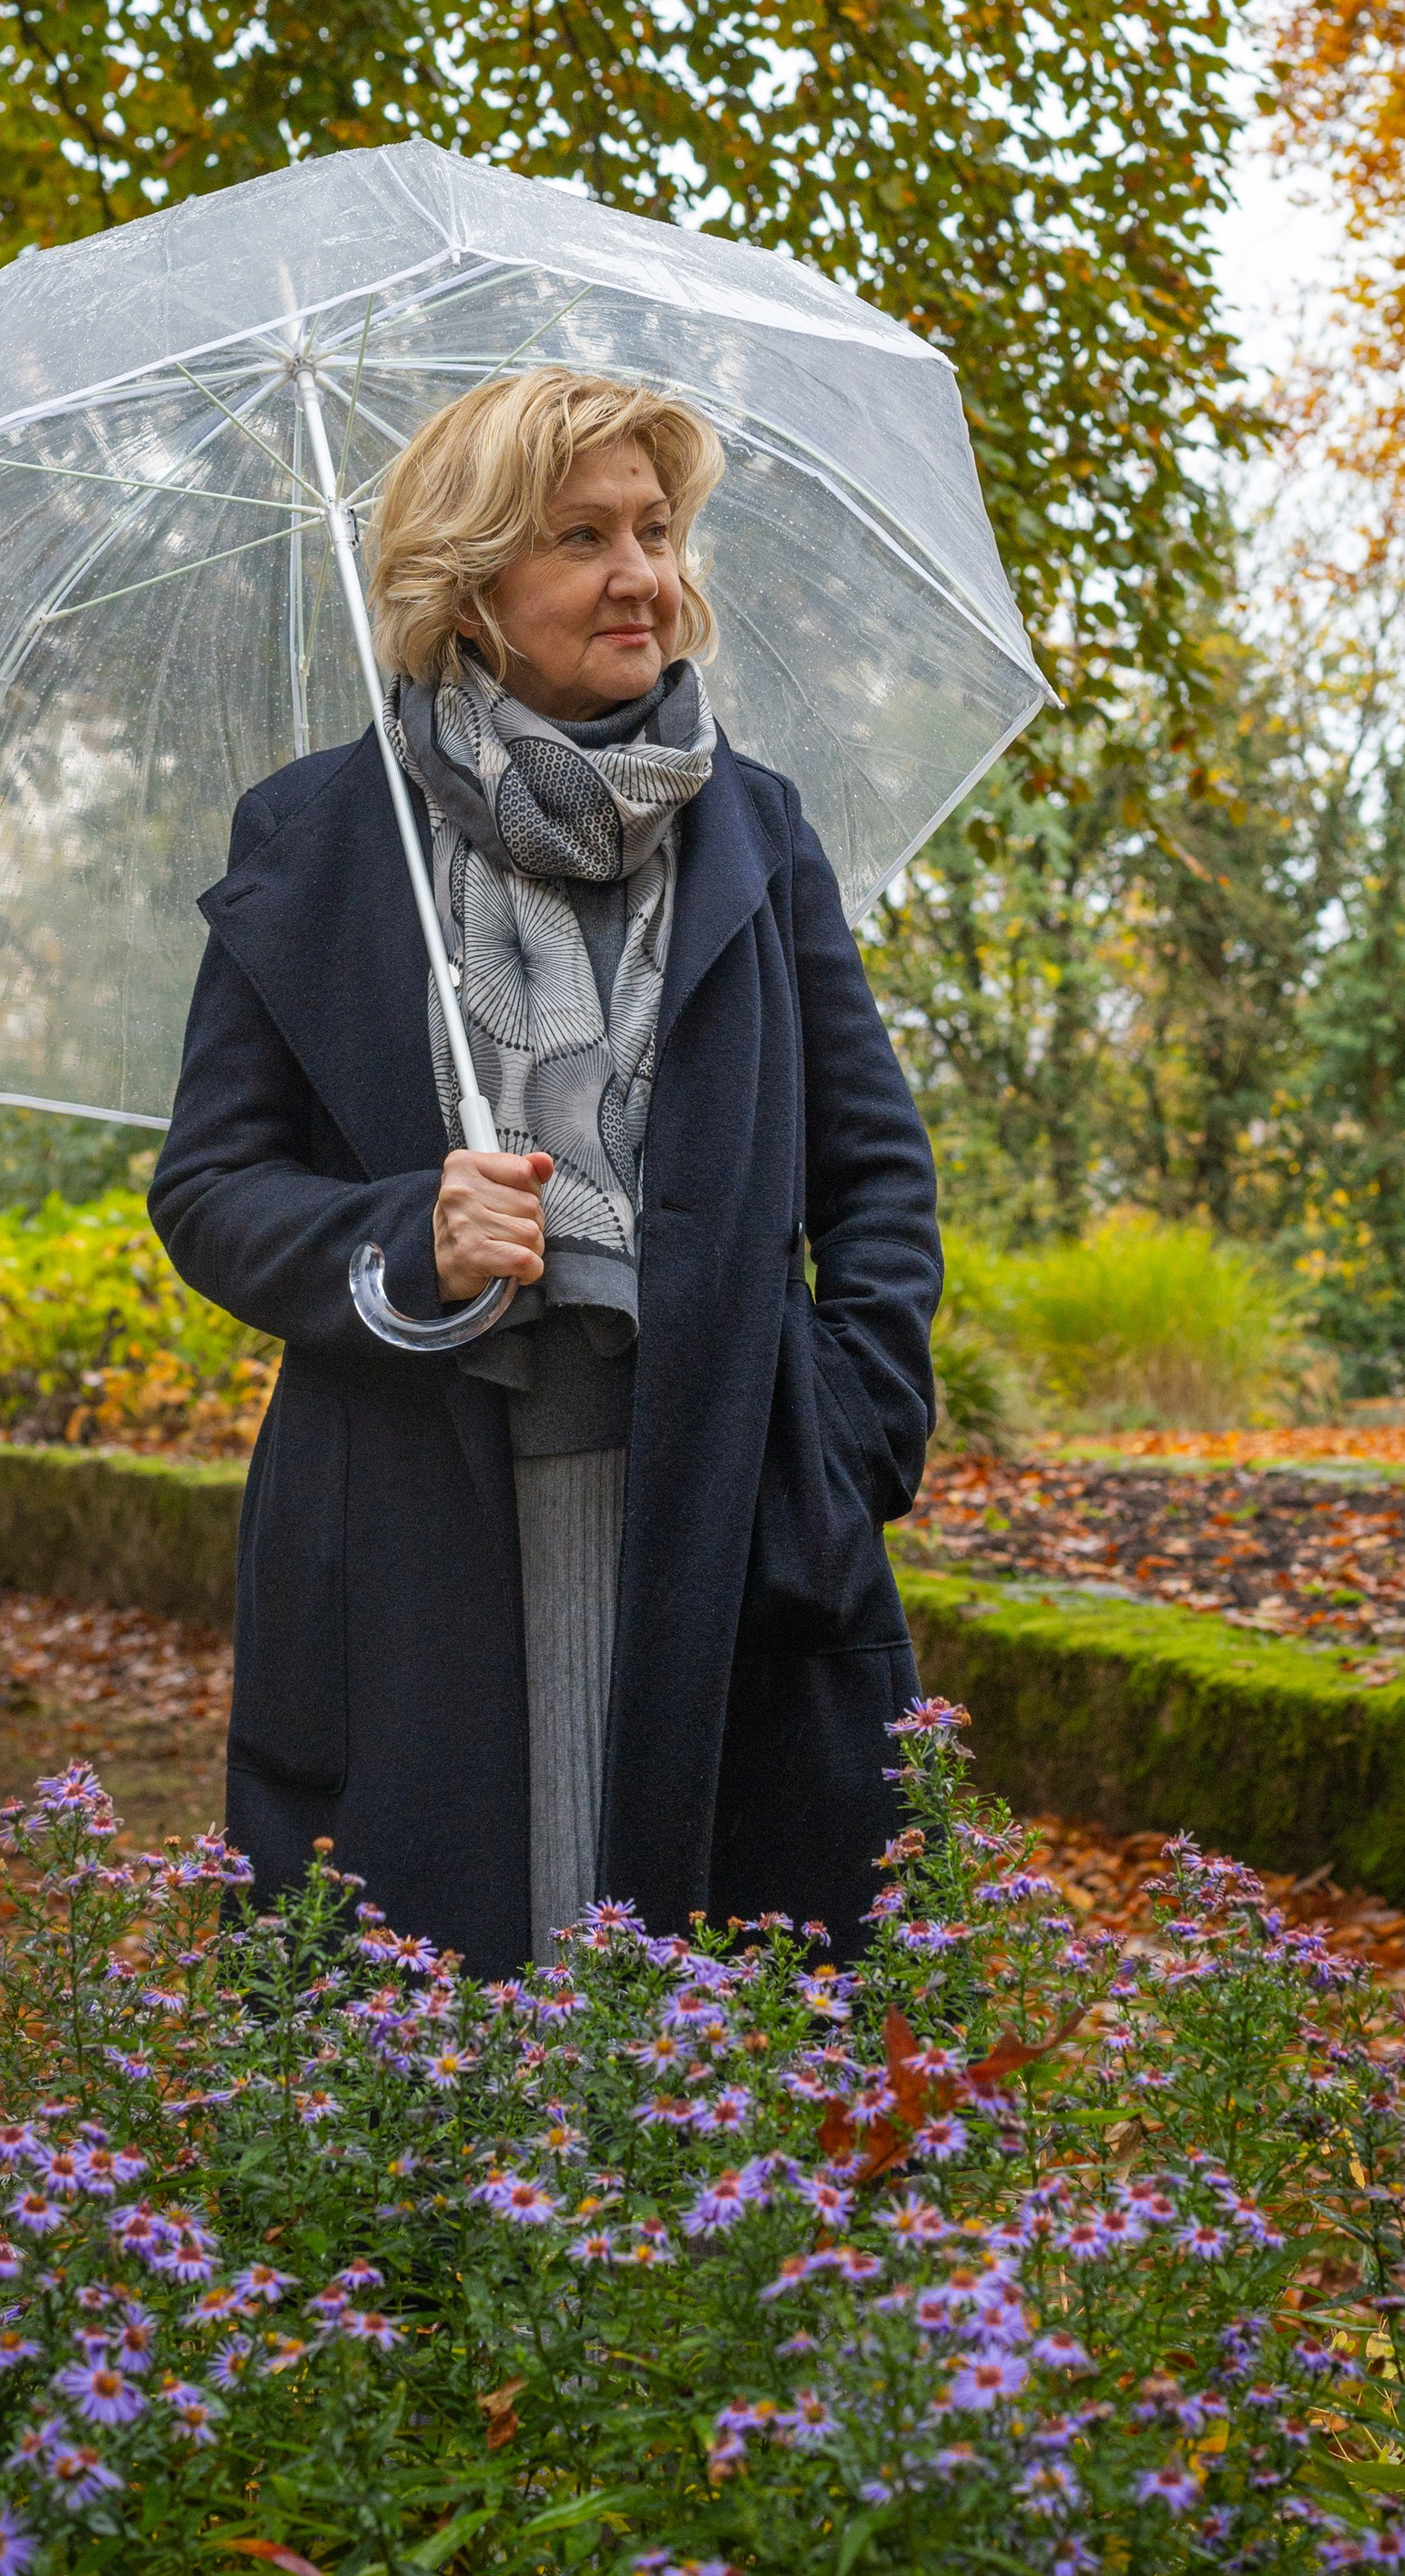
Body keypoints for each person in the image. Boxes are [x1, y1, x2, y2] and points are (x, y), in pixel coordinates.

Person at [148, 366, 942, 1975]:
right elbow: (211, 1184)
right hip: (411, 1526)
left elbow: (876, 1173)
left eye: (657, 528)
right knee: (429, 2008)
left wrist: (846, 1430)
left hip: (720, 1501)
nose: (645, 574)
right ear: (468, 584)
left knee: (733, 2012)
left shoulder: (757, 831)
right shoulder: (318, 839)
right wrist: (404, 1234)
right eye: (583, 535)